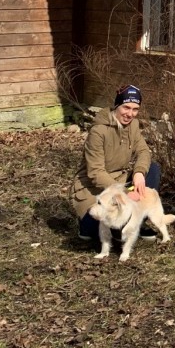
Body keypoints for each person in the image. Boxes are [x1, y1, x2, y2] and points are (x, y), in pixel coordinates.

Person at [71, 84, 161, 242]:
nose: (130, 114)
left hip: (119, 182)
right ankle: (89, 225)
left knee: (152, 169)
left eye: (135, 109)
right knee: (93, 232)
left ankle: (135, 222)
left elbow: (143, 151)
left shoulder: (133, 125)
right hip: (93, 190)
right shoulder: (98, 131)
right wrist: (124, 194)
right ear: (117, 105)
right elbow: (96, 173)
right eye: (126, 107)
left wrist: (139, 172)